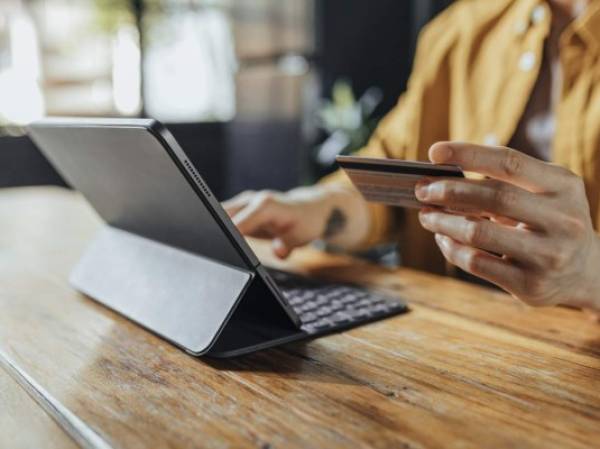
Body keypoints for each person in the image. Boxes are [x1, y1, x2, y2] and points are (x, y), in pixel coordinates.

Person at [224, 0, 600, 313]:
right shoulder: (457, 31)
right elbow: (392, 184)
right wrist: (314, 207)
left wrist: (589, 273)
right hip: (450, 349)